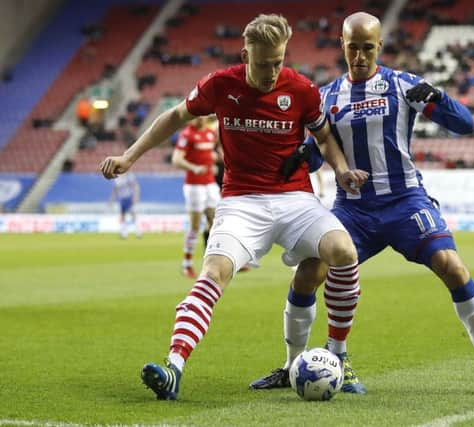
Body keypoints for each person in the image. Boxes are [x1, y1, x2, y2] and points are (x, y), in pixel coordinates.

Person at [251, 11, 474, 397]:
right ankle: (294, 365)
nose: (359, 56)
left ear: (379, 46)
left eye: (367, 48)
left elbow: (465, 124)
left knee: (453, 267)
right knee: (309, 271)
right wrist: (301, 156)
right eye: (352, 48)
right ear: (342, 47)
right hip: (353, 209)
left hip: (404, 202)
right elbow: (319, 154)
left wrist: (438, 98)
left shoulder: (402, 85)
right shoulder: (327, 97)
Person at [99, 13, 368, 401]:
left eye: (278, 61)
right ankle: (174, 366)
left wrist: (341, 170)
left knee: (343, 252)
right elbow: (176, 115)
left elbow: (324, 137)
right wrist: (129, 156)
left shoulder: (303, 89)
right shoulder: (221, 84)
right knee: (214, 273)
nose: (272, 72)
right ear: (245, 55)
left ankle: (338, 356)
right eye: (263, 64)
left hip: (296, 200)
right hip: (241, 201)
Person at [171, 115, 220, 278]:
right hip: (194, 186)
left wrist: (213, 162)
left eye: (203, 116)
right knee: (195, 226)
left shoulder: (210, 133)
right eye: (197, 117)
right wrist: (194, 167)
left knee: (217, 222)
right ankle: (186, 263)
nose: (200, 119)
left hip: (210, 183)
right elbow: (177, 159)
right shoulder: (186, 135)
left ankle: (217, 262)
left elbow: (212, 152)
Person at [110, 172, 142, 239]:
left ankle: (138, 232)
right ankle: (124, 234)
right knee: (123, 216)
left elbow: (135, 186)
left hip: (128, 198)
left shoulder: (128, 177)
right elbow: (115, 190)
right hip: (122, 199)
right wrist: (112, 200)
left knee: (132, 215)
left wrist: (136, 197)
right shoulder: (117, 178)